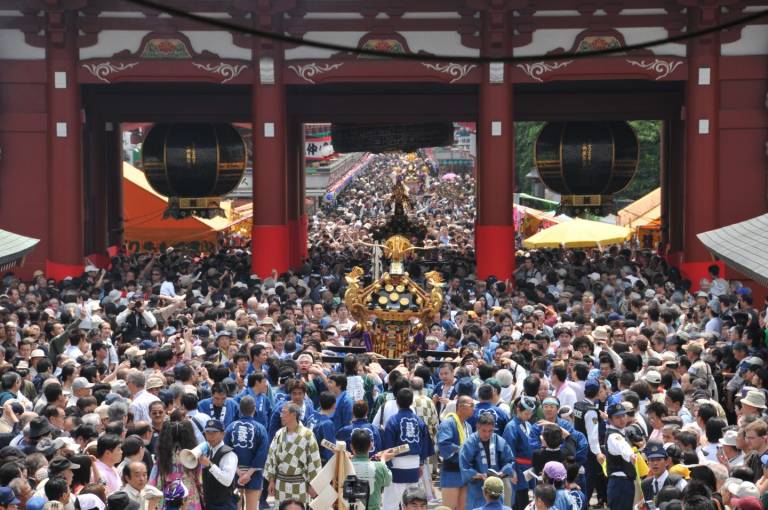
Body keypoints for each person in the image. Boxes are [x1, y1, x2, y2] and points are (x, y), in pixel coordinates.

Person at [381, 388, 434, 510]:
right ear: (411, 402)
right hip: (414, 464)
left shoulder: (392, 420)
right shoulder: (419, 421)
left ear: (397, 402)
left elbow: (388, 447)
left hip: (396, 464)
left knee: (392, 502)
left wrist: (386, 466)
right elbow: (425, 444)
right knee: (412, 500)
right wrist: (421, 463)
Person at [264, 403, 322, 505]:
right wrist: (272, 481)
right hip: (280, 483)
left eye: (284, 412)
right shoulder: (279, 434)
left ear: (294, 414)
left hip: (299, 483)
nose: (281, 415)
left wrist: (313, 484)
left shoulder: (307, 435)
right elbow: (271, 457)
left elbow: (314, 460)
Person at [460, 413, 517, 510]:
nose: (487, 434)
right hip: (477, 487)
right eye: (484, 430)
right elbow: (464, 467)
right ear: (478, 427)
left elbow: (510, 461)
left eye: (490, 431)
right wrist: (479, 475)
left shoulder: (500, 441)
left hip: (496, 487)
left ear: (494, 428)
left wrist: (502, 473)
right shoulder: (469, 443)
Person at [224, 396, 269, 510]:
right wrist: (248, 473)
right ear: (254, 409)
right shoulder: (261, 428)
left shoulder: (230, 427)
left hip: (234, 472)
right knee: (252, 507)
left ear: (239, 409)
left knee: (236, 506)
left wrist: (239, 472)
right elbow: (262, 453)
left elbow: (225, 450)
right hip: (254, 473)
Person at [149, 419, 202, 510]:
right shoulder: (192, 455)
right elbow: (200, 480)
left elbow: (153, 481)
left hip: (169, 495)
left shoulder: (163, 456)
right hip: (189, 495)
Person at [437, 394, 474, 510]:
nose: (474, 408)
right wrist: (464, 452)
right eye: (471, 406)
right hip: (451, 471)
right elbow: (444, 444)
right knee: (448, 507)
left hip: (465, 472)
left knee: (463, 507)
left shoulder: (468, 426)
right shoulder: (448, 423)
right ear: (461, 407)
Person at [349, 429, 394, 510]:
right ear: (370, 446)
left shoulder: (346, 465)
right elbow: (388, 481)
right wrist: (383, 460)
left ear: (351, 446)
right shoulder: (379, 466)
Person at [504, 396, 536, 510]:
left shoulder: (528, 424)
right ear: (518, 409)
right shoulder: (511, 427)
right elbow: (509, 451)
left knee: (526, 498)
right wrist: (512, 471)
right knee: (519, 500)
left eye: (530, 414)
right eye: (526, 413)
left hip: (529, 466)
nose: (528, 416)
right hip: (518, 467)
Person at [199, 419, 238, 510]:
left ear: (223, 434)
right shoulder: (208, 451)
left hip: (224, 505)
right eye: (207, 432)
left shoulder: (229, 454)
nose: (210, 436)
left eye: (214, 432)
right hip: (210, 503)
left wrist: (209, 465)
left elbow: (227, 480)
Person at [604, 403, 637, 510]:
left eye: (623, 415)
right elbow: (623, 447)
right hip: (620, 484)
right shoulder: (614, 436)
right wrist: (631, 455)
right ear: (610, 419)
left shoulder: (623, 432)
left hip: (625, 482)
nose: (622, 419)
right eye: (617, 417)